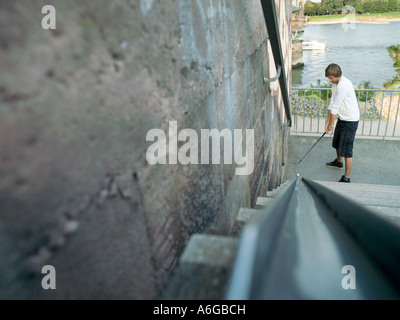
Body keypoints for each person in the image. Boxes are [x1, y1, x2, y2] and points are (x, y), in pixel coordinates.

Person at [324, 63, 359, 183]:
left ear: (336, 75)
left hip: (351, 120)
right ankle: (338, 163)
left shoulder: (343, 85)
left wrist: (330, 125)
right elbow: (332, 104)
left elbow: (335, 107)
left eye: (330, 77)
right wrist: (328, 123)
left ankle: (346, 177)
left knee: (347, 151)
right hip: (342, 118)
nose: (329, 80)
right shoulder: (335, 84)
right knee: (337, 142)